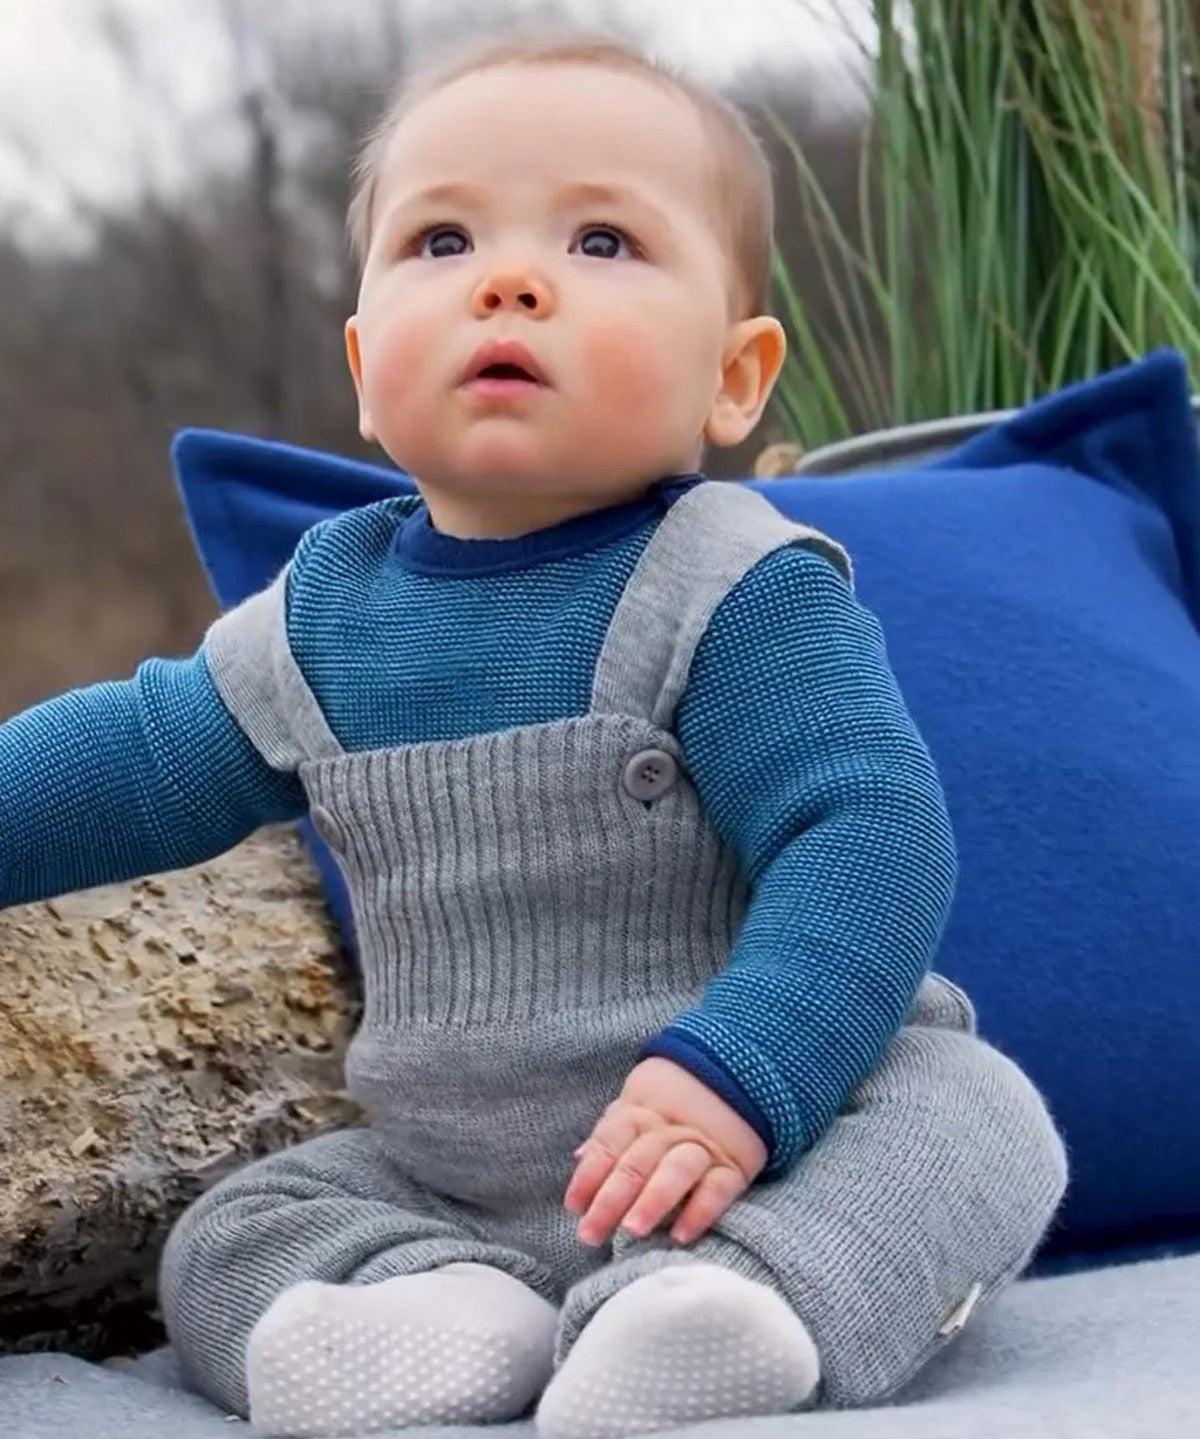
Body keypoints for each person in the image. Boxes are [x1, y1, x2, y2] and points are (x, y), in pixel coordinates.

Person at [0, 30, 1068, 1439]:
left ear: (735, 379)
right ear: (366, 362)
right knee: (233, 1228)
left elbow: (869, 834)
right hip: (450, 1176)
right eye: (441, 239)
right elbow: (134, 764)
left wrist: (736, 1078)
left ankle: (743, 1306)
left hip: (767, 1134)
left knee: (979, 1121)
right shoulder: (324, 619)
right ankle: (439, 1321)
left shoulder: (727, 587)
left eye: (605, 241)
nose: (510, 279)